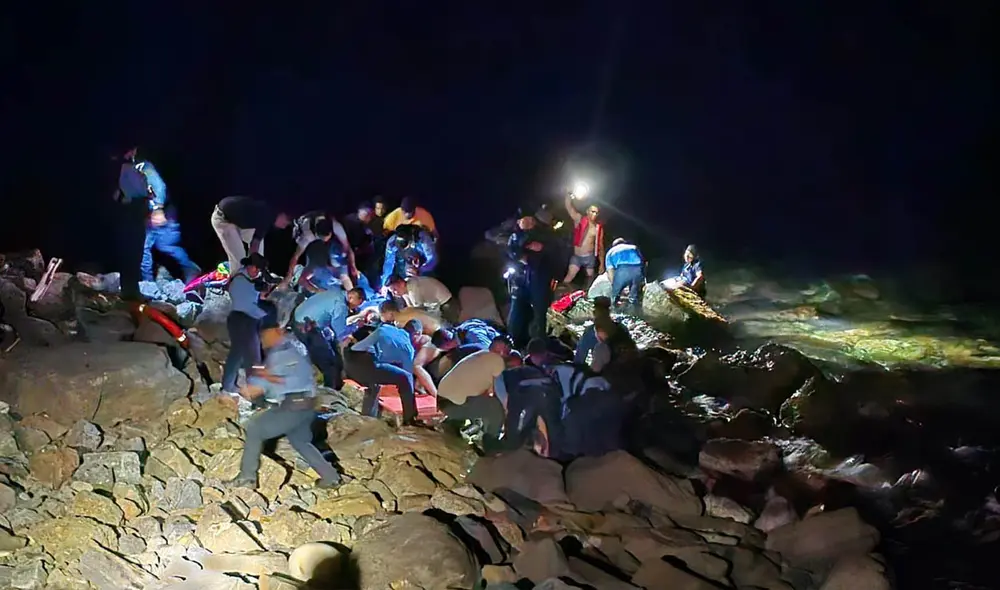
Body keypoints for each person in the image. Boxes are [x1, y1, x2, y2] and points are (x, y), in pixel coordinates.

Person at [229, 313, 342, 489]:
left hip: (294, 406)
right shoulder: (294, 347)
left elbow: (257, 388)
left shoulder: (280, 354)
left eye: (264, 335)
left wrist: (235, 390)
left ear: (276, 331)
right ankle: (331, 477)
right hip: (309, 405)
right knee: (300, 441)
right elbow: (279, 376)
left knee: (255, 428)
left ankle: (247, 477)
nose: (262, 340)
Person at [115, 148, 200, 284]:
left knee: (163, 246)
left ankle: (190, 270)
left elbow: (159, 186)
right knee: (149, 249)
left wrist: (158, 209)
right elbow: (127, 192)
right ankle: (148, 284)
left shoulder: (143, 166)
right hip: (146, 215)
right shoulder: (126, 169)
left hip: (159, 213)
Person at [346, 315, 419, 424]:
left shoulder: (387, 328)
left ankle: (369, 417)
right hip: (364, 366)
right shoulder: (408, 349)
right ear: (417, 334)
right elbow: (408, 376)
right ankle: (410, 418)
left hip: (350, 359)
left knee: (376, 378)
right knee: (406, 378)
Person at [506, 210, 559, 347]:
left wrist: (542, 248)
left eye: (531, 220)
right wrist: (523, 254)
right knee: (517, 312)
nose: (529, 223)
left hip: (539, 280)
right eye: (525, 220)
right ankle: (516, 341)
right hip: (520, 281)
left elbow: (554, 251)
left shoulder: (544, 235)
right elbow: (513, 253)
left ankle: (540, 344)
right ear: (519, 221)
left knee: (539, 313)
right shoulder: (514, 237)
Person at [221, 253, 269, 395]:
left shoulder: (244, 279)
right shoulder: (241, 281)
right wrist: (266, 316)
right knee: (253, 356)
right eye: (256, 268)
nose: (257, 271)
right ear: (249, 266)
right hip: (243, 319)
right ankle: (255, 392)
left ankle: (228, 386)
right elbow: (247, 305)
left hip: (239, 319)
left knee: (237, 354)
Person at [212, 196, 290, 276]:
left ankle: (259, 276)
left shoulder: (268, 217)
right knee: (240, 261)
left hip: (239, 221)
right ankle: (238, 282)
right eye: (287, 221)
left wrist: (255, 263)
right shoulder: (264, 215)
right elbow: (254, 246)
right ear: (281, 213)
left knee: (258, 252)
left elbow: (255, 244)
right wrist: (252, 262)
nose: (285, 226)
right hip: (223, 220)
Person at [563, 192, 606, 288]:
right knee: (568, 278)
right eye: (592, 211)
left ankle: (587, 299)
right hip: (577, 256)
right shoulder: (579, 219)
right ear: (587, 211)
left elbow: (600, 246)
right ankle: (562, 297)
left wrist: (602, 264)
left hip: (589, 257)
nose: (594, 214)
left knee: (590, 281)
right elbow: (569, 207)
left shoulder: (598, 227)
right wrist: (568, 195)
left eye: (596, 212)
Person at [342, 201, 381, 288]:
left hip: (360, 252)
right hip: (350, 255)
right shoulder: (351, 223)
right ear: (365, 214)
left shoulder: (362, 223)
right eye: (370, 216)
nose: (371, 218)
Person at [385, 275, 458, 321]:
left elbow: (423, 310)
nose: (394, 294)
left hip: (446, 304)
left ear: (401, 283)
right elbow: (411, 308)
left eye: (394, 290)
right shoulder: (405, 288)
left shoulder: (416, 288)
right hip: (434, 307)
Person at [573, 296, 620, 366]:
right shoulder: (621, 329)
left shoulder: (590, 332)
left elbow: (579, 359)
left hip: (601, 372)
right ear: (609, 311)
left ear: (595, 312)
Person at [605, 237, 646, 313]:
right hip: (637, 268)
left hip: (622, 269)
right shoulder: (633, 247)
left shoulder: (610, 252)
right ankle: (636, 313)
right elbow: (643, 262)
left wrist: (615, 285)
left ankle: (613, 313)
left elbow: (610, 271)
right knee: (633, 298)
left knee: (614, 297)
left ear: (614, 245)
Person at [402, 319, 439, 397]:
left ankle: (436, 394)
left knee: (416, 366)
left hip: (432, 351)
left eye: (412, 336)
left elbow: (416, 365)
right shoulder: (406, 338)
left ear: (418, 333)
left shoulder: (427, 341)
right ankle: (419, 386)